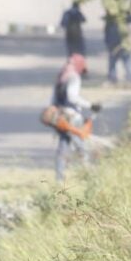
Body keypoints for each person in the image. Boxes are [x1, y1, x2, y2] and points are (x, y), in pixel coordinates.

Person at [51, 53, 99, 183]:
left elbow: (53, 99)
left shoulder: (61, 76)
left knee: (63, 148)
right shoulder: (74, 77)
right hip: (72, 117)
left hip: (60, 117)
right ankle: (89, 177)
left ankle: (59, 180)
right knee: (81, 147)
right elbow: (72, 97)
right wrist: (90, 105)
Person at [104, 6, 131, 84]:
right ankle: (116, 78)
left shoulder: (121, 19)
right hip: (116, 44)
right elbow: (106, 32)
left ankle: (128, 78)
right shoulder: (113, 20)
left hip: (121, 43)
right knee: (119, 62)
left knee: (124, 62)